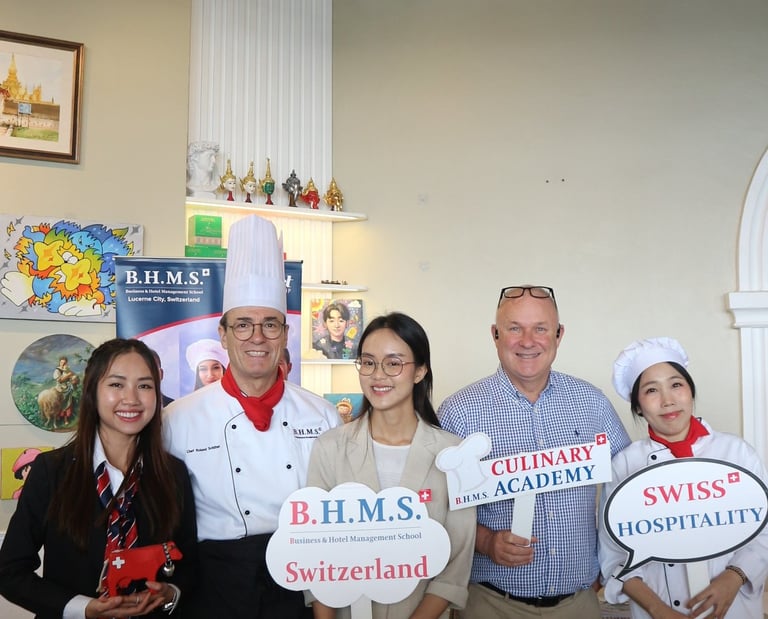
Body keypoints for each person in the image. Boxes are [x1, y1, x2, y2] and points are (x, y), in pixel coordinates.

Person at [163, 214, 340, 619]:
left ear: (286, 334)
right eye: (243, 325)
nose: (257, 337)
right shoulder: (178, 419)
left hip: (303, 578)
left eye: (270, 325)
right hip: (213, 584)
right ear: (223, 335)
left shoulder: (324, 415)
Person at [438, 285, 631, 618]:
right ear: (495, 335)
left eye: (540, 329)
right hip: (491, 604)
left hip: (579, 603)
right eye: (515, 328)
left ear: (559, 335)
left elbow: (629, 485)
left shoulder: (593, 403)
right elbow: (435, 506)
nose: (528, 341)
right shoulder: (459, 412)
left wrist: (614, 562)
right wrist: (486, 542)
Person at [0, 338, 197, 618]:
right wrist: (84, 608)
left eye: (144, 386)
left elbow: (188, 563)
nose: (132, 398)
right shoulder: (51, 471)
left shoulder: (172, 473)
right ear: (92, 390)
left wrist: (171, 593)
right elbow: (10, 571)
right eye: (116, 384)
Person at [306, 312, 476, 618]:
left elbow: (455, 567)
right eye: (368, 363)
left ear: (420, 371)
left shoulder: (452, 454)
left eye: (393, 363)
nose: (378, 375)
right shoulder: (330, 447)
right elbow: (317, 555)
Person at [599, 337, 768, 619]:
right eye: (651, 390)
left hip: (735, 608)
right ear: (638, 406)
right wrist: (658, 609)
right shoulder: (625, 465)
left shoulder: (736, 453)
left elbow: (764, 530)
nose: (668, 401)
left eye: (676, 385)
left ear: (690, 391)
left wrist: (734, 577)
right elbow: (613, 555)